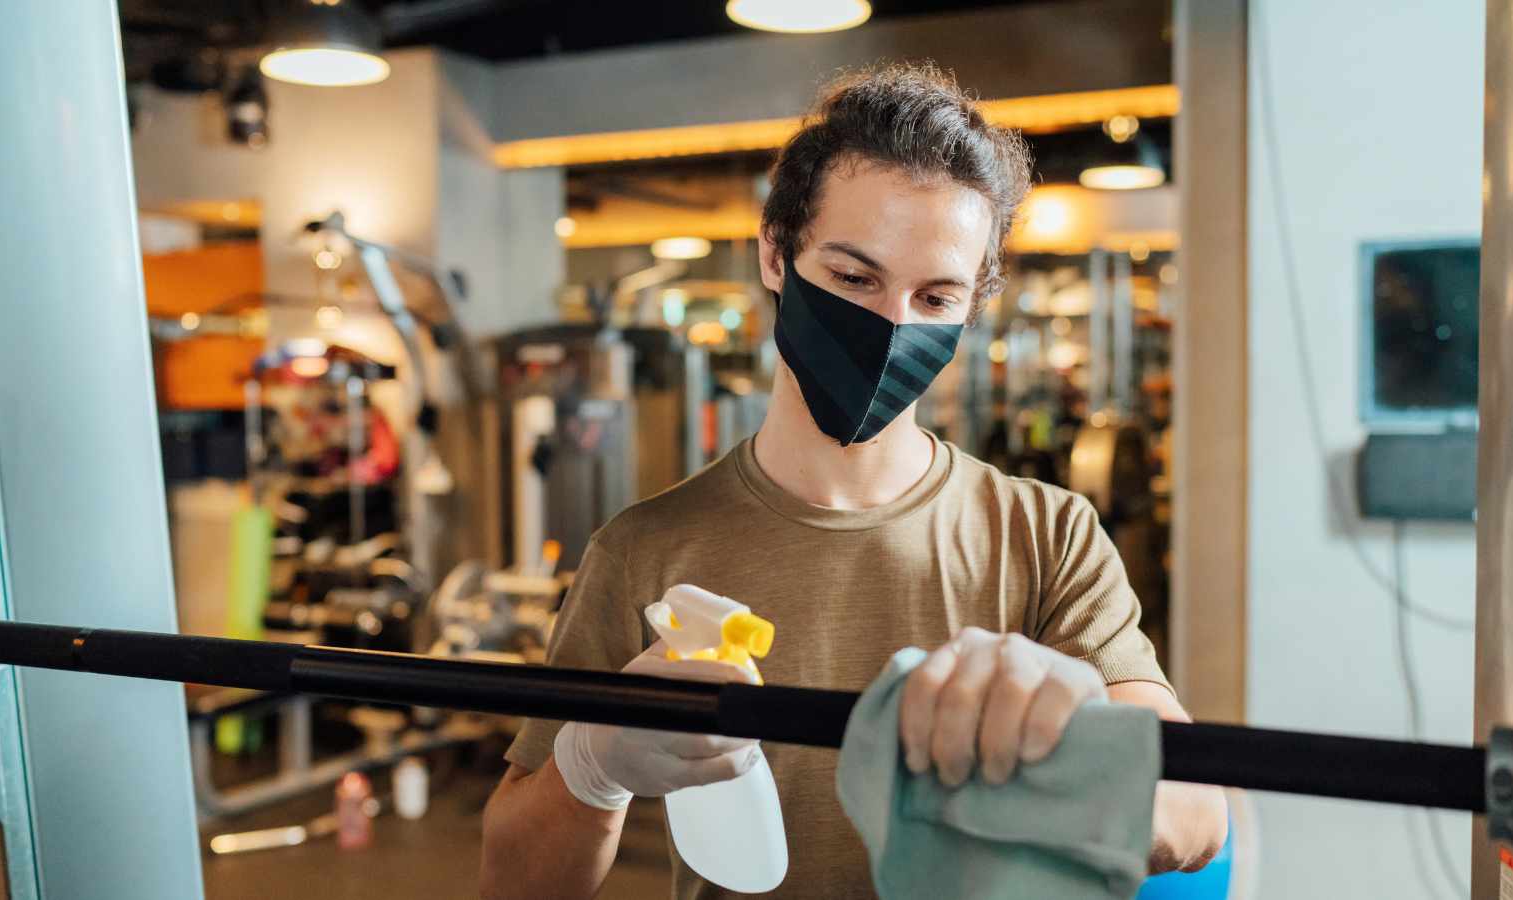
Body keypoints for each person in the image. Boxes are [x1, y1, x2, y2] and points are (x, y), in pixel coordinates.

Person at [479, 62, 1227, 900]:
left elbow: (1197, 817)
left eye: (935, 297)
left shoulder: (1046, 533)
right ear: (775, 253)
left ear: (973, 307)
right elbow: (518, 883)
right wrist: (592, 764)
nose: (890, 325)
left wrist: (1083, 732)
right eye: (853, 278)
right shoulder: (644, 549)